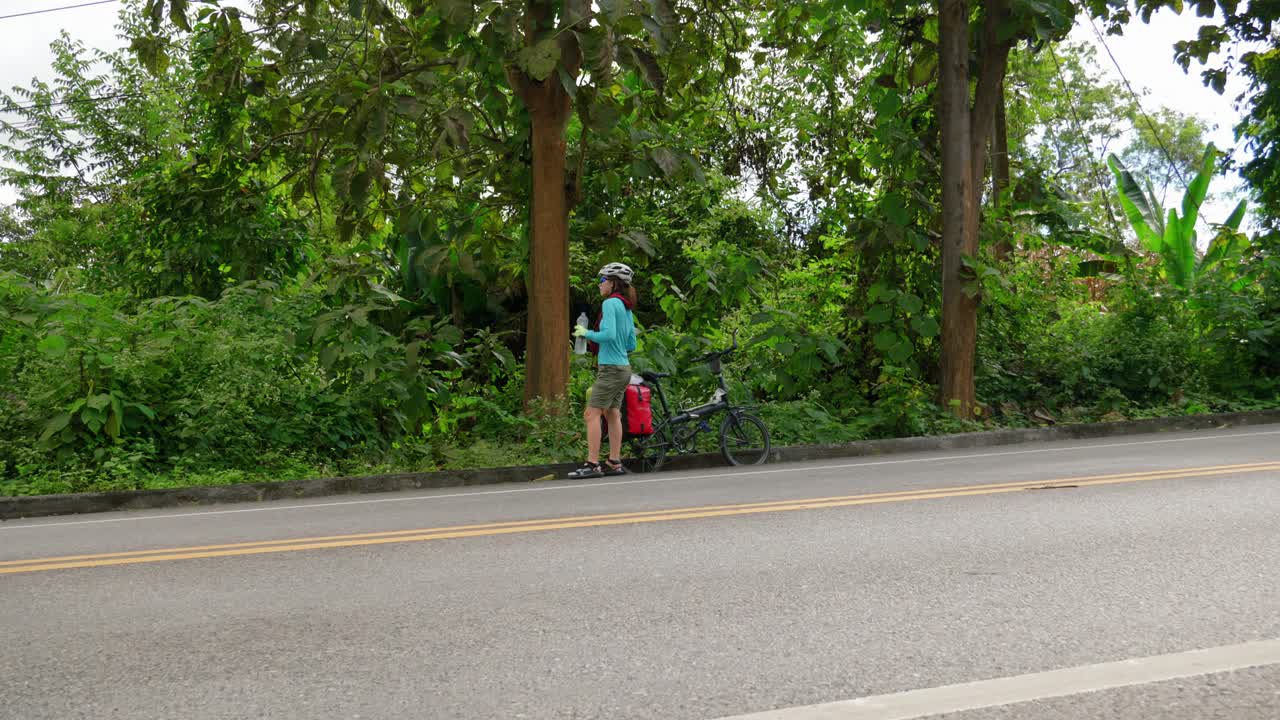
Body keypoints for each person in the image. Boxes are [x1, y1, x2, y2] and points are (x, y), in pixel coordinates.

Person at [568, 262, 638, 479]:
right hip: (623, 367)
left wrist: (586, 333)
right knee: (612, 413)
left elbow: (607, 335)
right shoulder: (626, 306)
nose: (599, 285)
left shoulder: (610, 304)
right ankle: (614, 462)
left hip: (610, 369)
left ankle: (592, 464)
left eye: (602, 280)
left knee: (591, 414)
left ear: (613, 283)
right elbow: (631, 344)